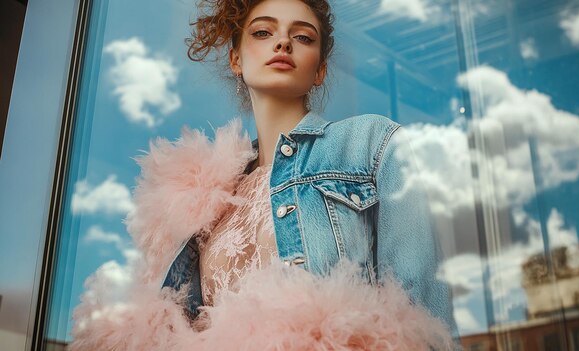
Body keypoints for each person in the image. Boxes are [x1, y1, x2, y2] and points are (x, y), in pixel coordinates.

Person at [69, 0, 458, 349]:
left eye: (303, 37)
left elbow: (423, 318)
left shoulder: (371, 143)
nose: (283, 43)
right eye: (262, 32)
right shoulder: (205, 195)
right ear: (236, 58)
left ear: (320, 70)